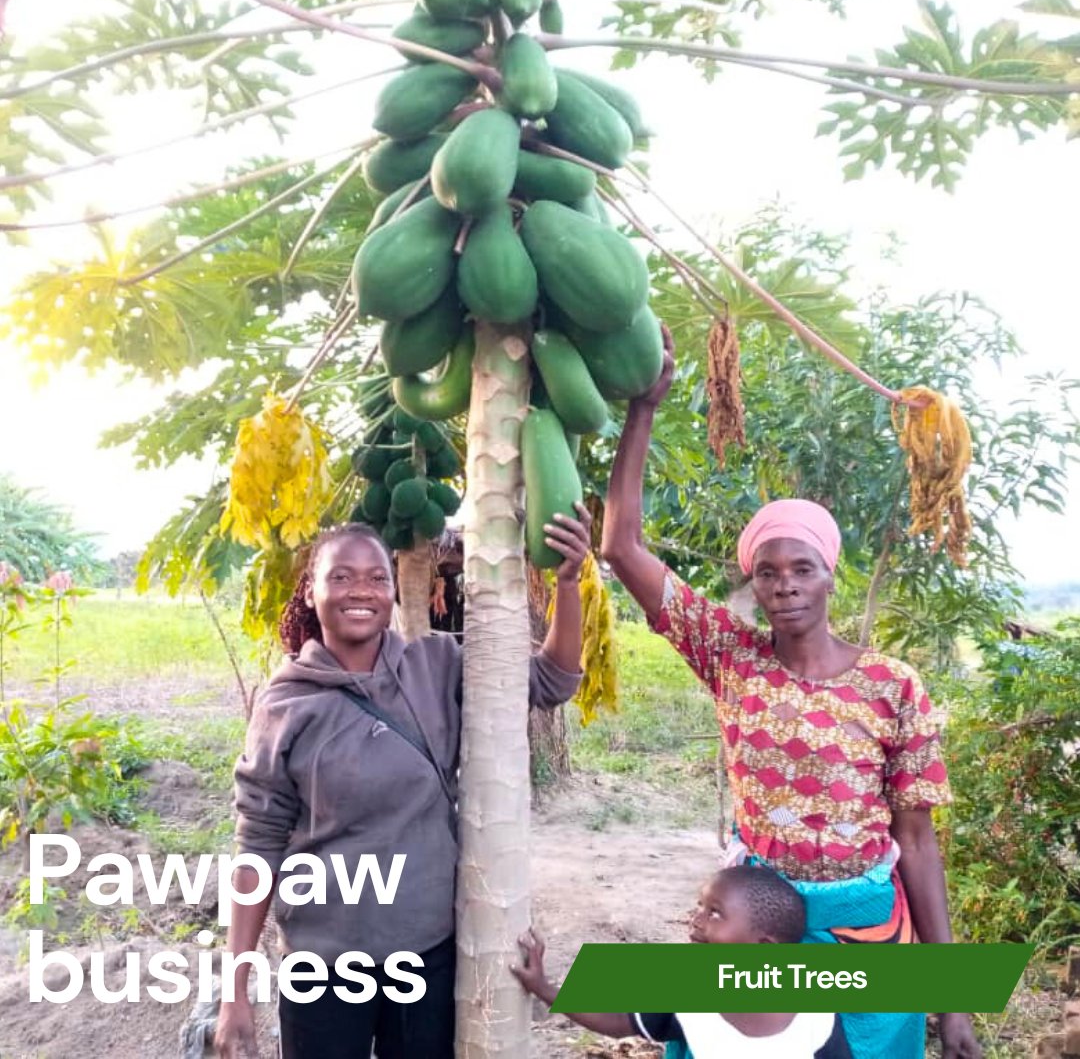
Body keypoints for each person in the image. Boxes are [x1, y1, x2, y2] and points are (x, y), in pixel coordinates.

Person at [598, 329, 981, 1059]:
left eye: (801, 568)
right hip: (755, 917)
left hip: (864, 924)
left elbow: (918, 843)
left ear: (830, 573)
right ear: (753, 582)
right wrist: (643, 409)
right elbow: (620, 547)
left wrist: (952, 998)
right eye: (767, 572)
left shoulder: (893, 685)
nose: (785, 585)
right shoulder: (730, 655)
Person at [214, 510, 592, 1059]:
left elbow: (551, 682)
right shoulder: (286, 704)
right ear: (312, 591)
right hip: (323, 963)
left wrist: (567, 581)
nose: (359, 591)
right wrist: (235, 993)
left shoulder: (438, 664)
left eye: (375, 578)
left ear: (393, 591)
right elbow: (257, 847)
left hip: (426, 954)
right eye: (340, 577)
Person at [511, 864, 853, 1058]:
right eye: (700, 906)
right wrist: (545, 989)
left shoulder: (815, 1012)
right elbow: (616, 1021)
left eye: (715, 913)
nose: (696, 919)